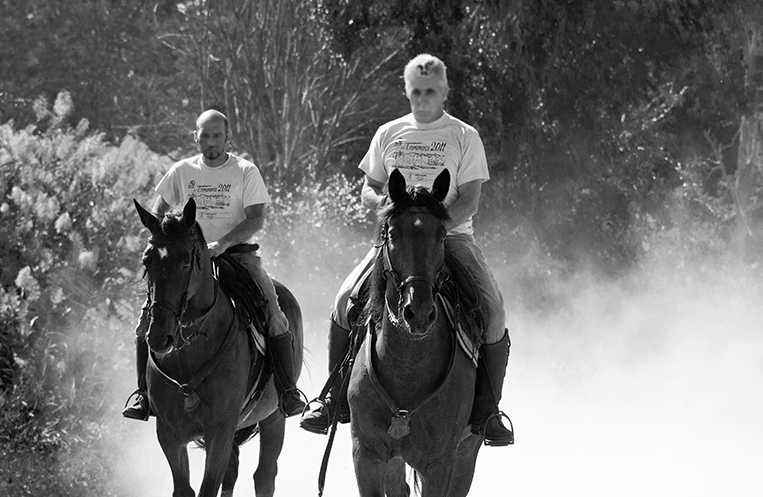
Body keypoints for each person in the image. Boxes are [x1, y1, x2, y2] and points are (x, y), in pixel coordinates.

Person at [299, 54, 514, 446]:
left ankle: (487, 410)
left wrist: (434, 229)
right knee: (344, 298)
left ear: (445, 90)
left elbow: (470, 199)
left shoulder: (464, 136)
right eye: (415, 91)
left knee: (493, 308)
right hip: (394, 242)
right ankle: (333, 399)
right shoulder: (388, 132)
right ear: (406, 90)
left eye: (430, 91)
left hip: (451, 239)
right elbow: (368, 186)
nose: (422, 98)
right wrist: (379, 205)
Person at [123, 109, 305, 421]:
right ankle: (143, 394)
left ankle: (287, 391)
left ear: (227, 137)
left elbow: (257, 217)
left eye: (217, 136)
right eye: (204, 136)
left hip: (237, 255)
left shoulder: (245, 171)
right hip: (186, 259)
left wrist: (222, 244)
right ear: (195, 137)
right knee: (147, 320)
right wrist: (170, 236)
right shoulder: (181, 171)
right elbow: (159, 213)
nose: (210, 142)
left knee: (274, 315)